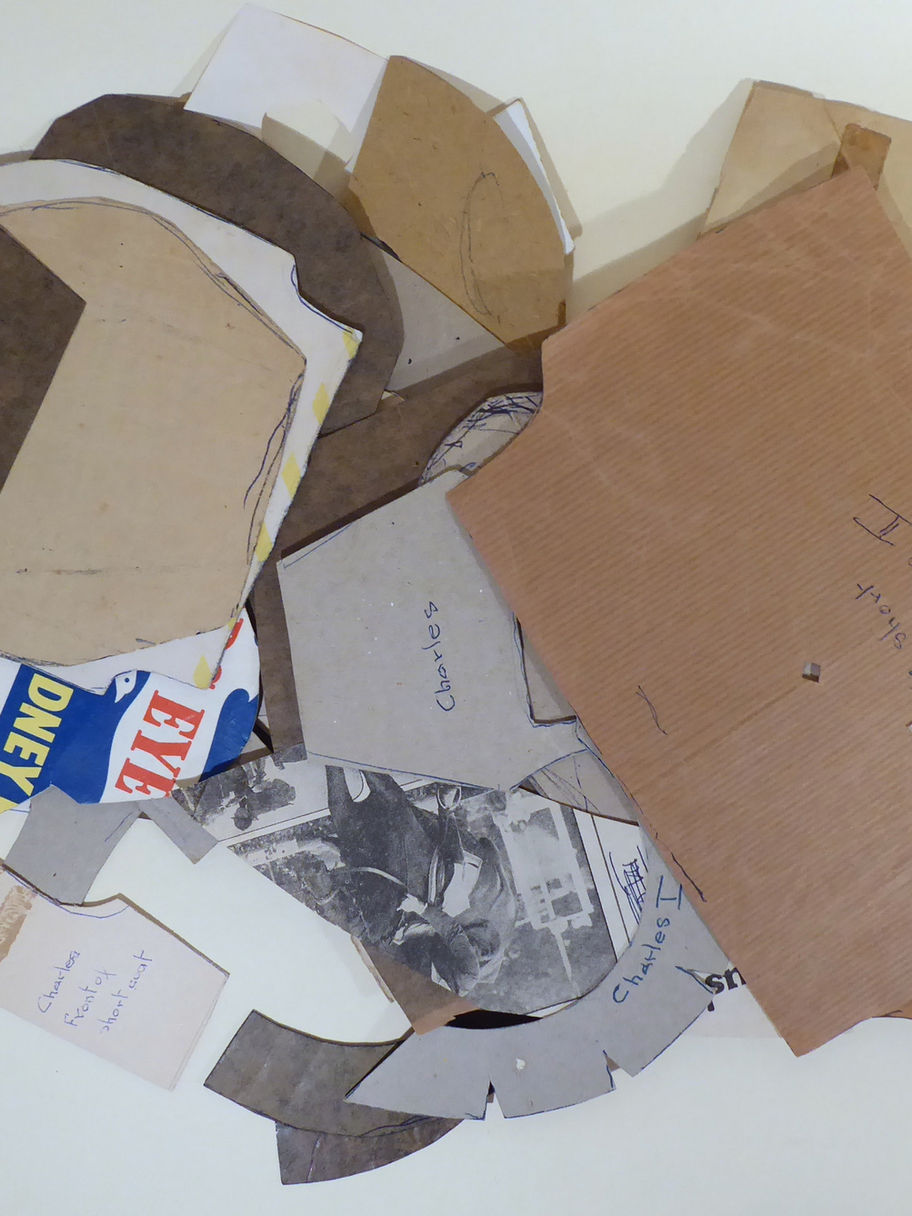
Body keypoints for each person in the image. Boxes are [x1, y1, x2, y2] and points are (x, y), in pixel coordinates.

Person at [323, 766, 516, 995]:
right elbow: (452, 931)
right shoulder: (468, 974)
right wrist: (421, 908)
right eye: (484, 951)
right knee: (453, 873)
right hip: (447, 919)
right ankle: (446, 809)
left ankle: (347, 852)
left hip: (416, 932)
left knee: (349, 838)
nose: (478, 952)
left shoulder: (416, 989)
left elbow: (394, 953)